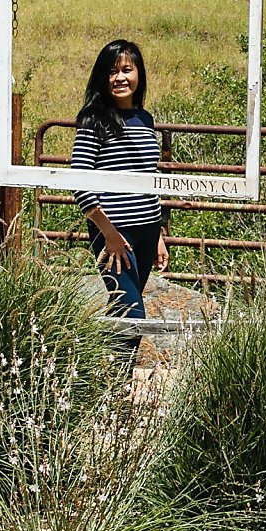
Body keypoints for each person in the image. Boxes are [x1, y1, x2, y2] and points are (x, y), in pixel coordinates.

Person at [71, 39, 168, 336]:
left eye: (127, 69)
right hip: (115, 234)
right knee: (132, 316)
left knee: (122, 315)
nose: (120, 78)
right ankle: (115, 381)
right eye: (112, 71)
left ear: (139, 74)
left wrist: (159, 235)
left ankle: (108, 378)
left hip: (147, 230)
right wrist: (109, 234)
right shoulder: (93, 120)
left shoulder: (144, 119)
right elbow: (79, 181)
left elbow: (148, 177)